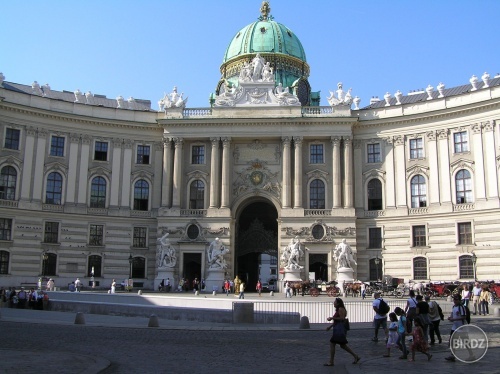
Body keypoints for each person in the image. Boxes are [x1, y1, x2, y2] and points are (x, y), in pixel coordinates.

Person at [324, 297, 360, 366]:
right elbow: (338, 321)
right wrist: (330, 326)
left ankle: (331, 361)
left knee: (333, 343)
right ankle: (356, 356)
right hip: (338, 329)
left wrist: (332, 318)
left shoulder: (340, 309)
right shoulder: (340, 309)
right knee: (342, 345)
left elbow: (341, 318)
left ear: (338, 303)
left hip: (339, 330)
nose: (333, 303)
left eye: (335, 302)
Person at [445, 294, 467, 361]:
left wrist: (454, 319)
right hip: (454, 327)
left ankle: (471, 354)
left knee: (466, 342)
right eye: (454, 299)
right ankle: (452, 355)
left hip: (461, 328)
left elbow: (464, 317)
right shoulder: (454, 306)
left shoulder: (462, 307)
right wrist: (450, 318)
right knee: (452, 341)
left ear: (459, 300)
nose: (455, 301)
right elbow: (453, 314)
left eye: (456, 299)